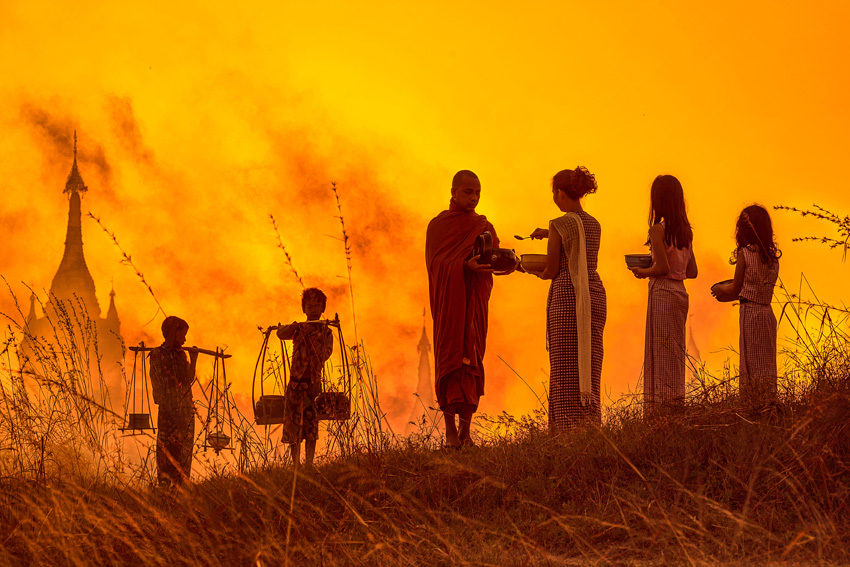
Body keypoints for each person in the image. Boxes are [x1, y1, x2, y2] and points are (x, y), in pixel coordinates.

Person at [523, 167, 607, 431]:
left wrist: (530, 270)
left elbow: (551, 268)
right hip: (593, 295)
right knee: (589, 360)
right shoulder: (594, 223)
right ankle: (589, 423)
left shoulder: (559, 224)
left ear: (560, 193)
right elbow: (578, 241)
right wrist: (549, 233)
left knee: (563, 365)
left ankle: (564, 428)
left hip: (567, 296)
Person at [425, 170, 497, 448]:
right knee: (450, 360)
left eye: (478, 193)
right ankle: (450, 432)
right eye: (468, 192)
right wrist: (463, 266)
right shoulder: (439, 226)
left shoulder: (482, 224)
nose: (474, 197)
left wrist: (504, 262)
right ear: (454, 192)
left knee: (472, 359)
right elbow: (436, 265)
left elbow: (492, 255)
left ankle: (466, 432)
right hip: (449, 305)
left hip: (474, 303)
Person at [630, 175, 698, 414]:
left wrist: (642, 270)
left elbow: (661, 269)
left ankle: (659, 409)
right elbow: (692, 271)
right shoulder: (686, 232)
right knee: (675, 352)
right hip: (680, 294)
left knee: (659, 353)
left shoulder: (657, 230)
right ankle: (675, 403)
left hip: (662, 292)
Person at [711, 205, 780, 407]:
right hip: (767, 313)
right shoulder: (772, 258)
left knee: (750, 364)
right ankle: (768, 404)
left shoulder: (745, 253)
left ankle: (752, 406)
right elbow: (753, 288)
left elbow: (736, 287)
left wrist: (719, 288)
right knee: (766, 364)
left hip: (750, 313)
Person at [276, 287, 333, 468]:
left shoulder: (326, 331)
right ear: (304, 309)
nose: (313, 309)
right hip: (295, 383)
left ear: (323, 308)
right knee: (293, 424)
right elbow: (280, 333)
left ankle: (308, 464)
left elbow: (326, 353)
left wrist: (314, 341)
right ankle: (295, 465)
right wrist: (295, 327)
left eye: (317, 306)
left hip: (312, 384)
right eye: (310, 306)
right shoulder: (298, 329)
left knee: (311, 424)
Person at [150, 316, 198, 487]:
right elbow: (157, 383)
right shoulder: (157, 354)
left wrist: (193, 360)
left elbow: (188, 378)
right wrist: (170, 409)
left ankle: (182, 486)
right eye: (182, 334)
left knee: (184, 449)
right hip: (168, 412)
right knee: (167, 449)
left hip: (185, 409)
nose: (184, 339)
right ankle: (165, 485)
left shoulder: (181, 355)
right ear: (172, 333)